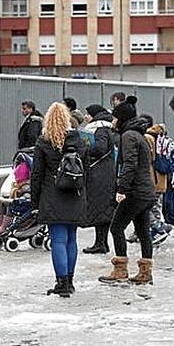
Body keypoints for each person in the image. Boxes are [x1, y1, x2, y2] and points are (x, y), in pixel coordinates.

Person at [30, 102, 86, 297]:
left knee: (58, 240)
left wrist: (35, 202)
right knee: (72, 239)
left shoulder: (44, 141)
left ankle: (61, 282)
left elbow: (36, 174)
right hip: (75, 194)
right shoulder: (77, 139)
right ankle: (70, 281)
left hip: (52, 193)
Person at [99, 100, 155, 285]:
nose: (112, 121)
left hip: (134, 191)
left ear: (121, 118)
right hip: (146, 190)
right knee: (143, 231)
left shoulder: (129, 136)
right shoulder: (139, 134)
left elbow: (129, 164)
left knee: (116, 228)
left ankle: (120, 269)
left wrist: (122, 188)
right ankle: (145, 272)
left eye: (114, 116)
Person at [80, 104, 116, 254]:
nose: (85, 117)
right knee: (101, 209)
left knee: (101, 208)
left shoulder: (100, 129)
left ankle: (101, 243)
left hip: (100, 175)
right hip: (102, 173)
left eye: (87, 114)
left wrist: (84, 148)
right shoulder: (103, 128)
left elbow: (101, 149)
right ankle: (100, 242)